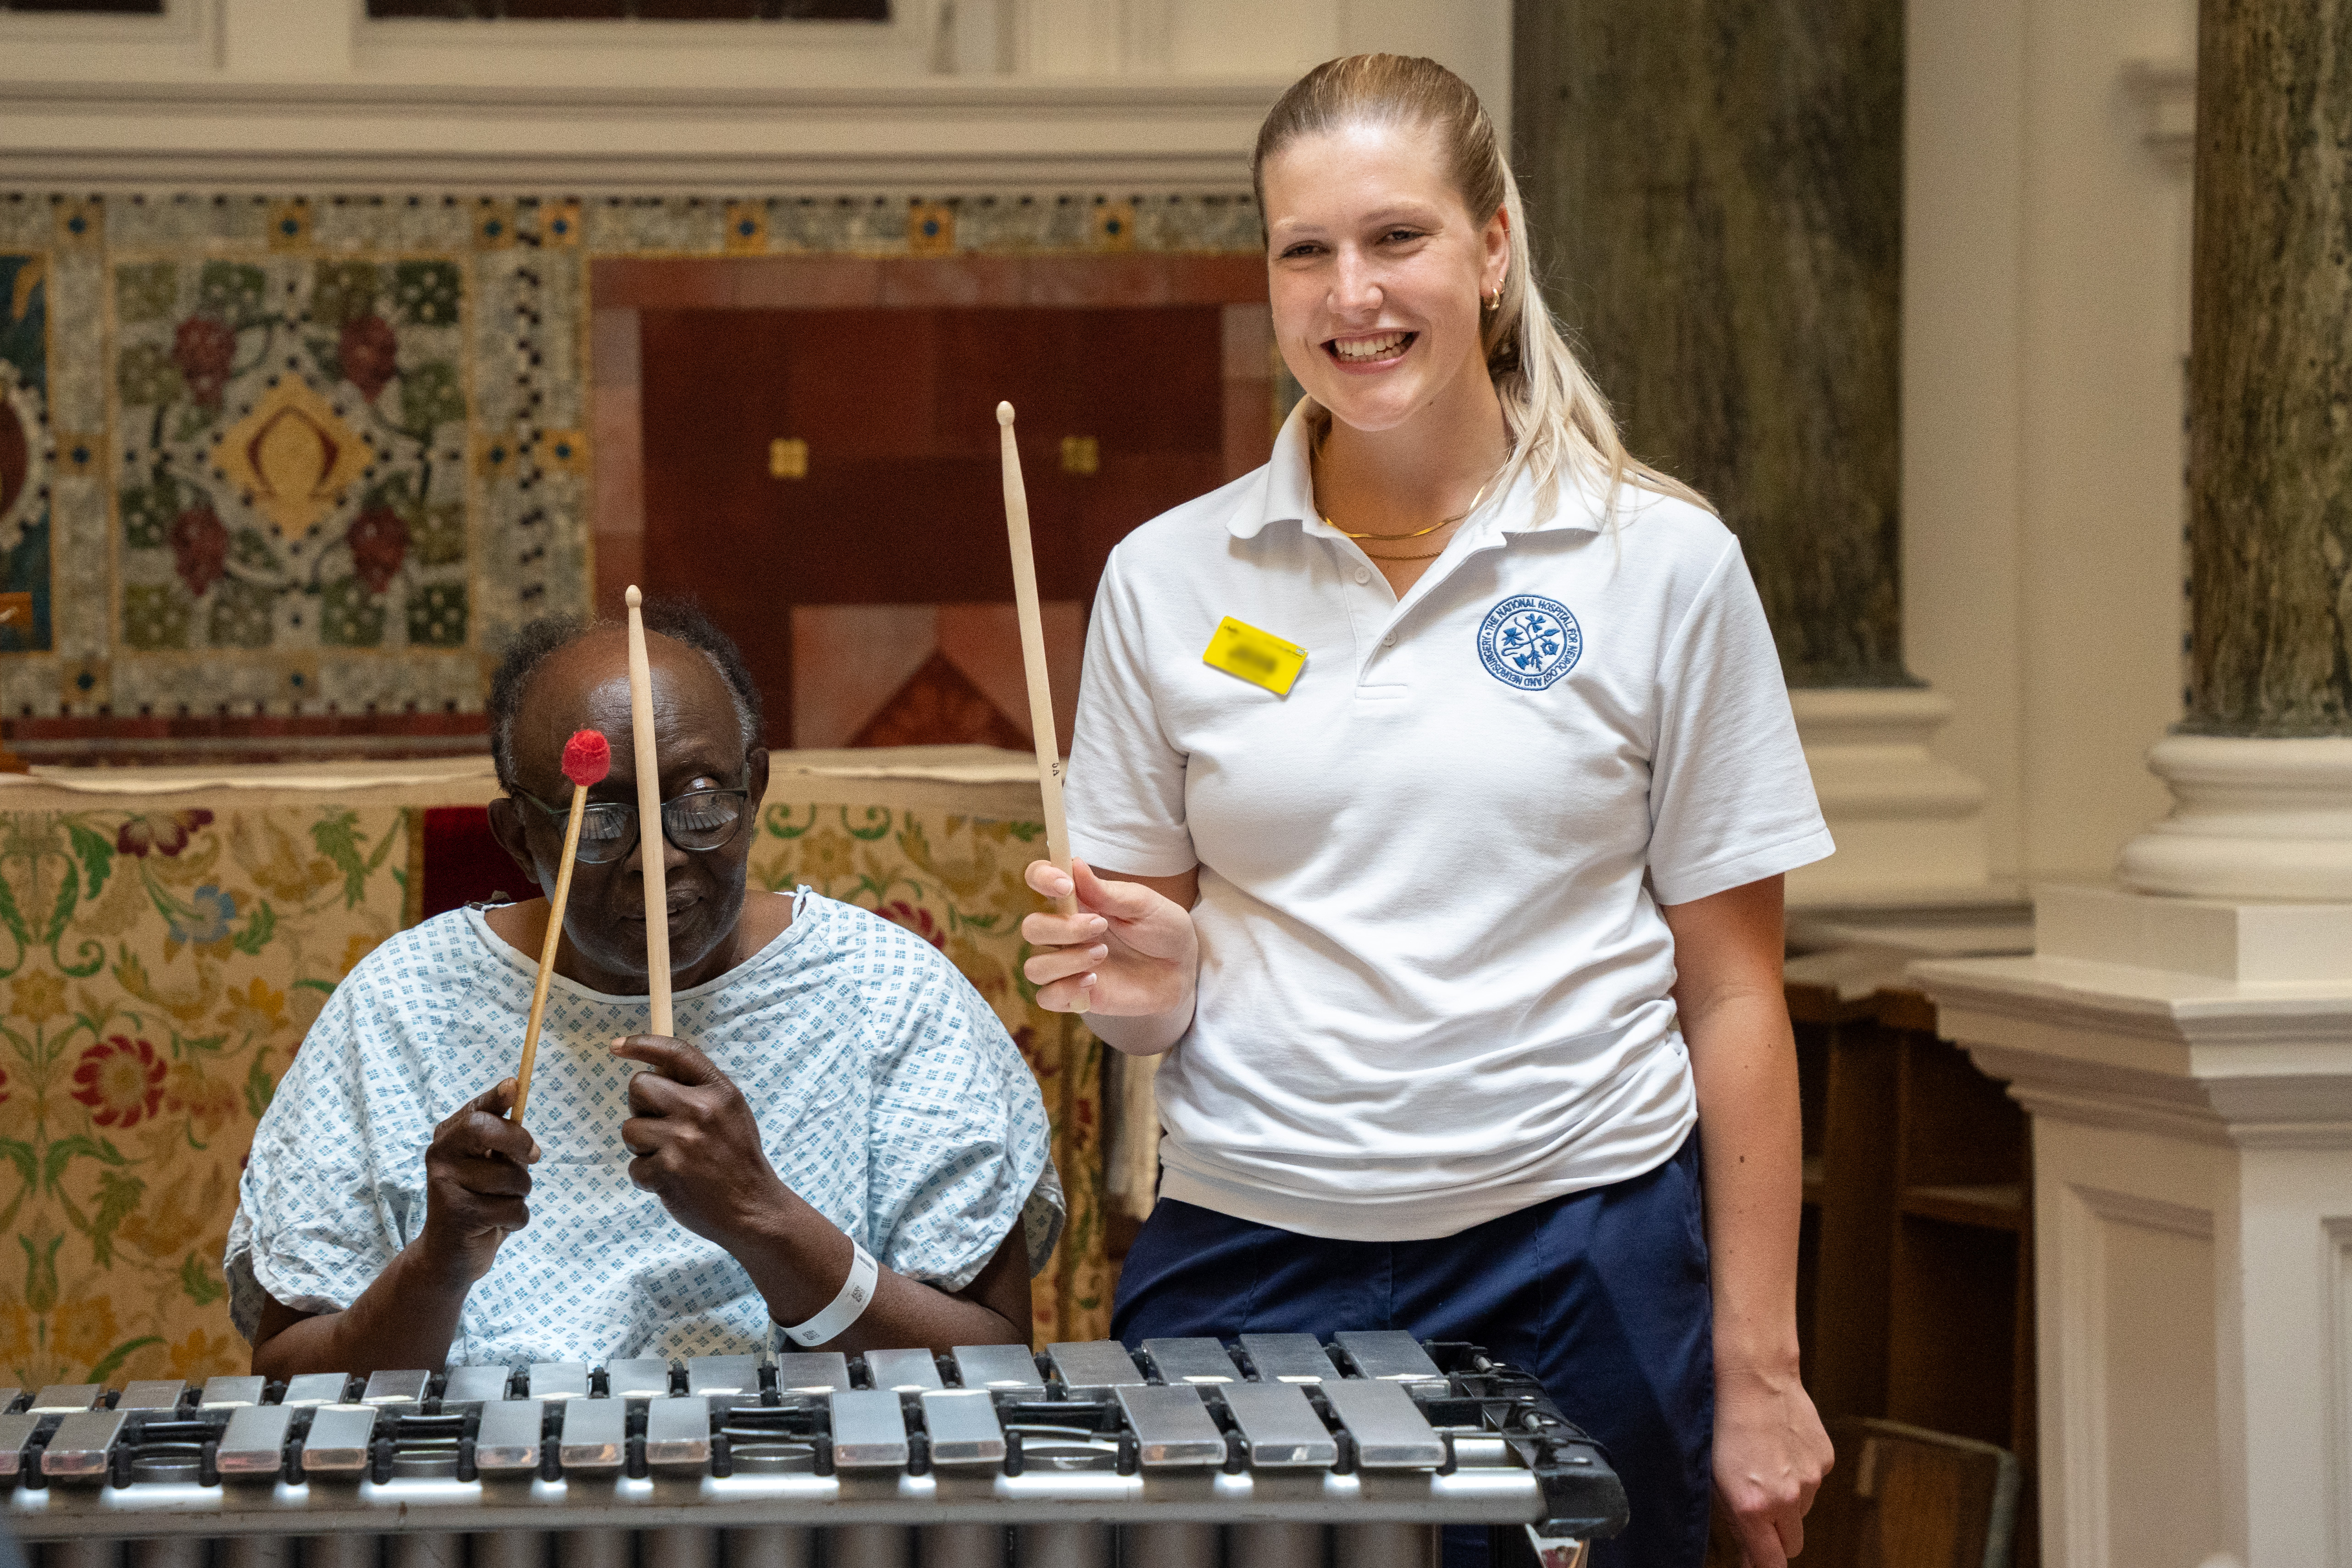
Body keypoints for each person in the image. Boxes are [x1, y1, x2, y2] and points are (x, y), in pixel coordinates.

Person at [1021, 54, 1834, 1568]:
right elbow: (1140, 988)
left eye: (1393, 238)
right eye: (1303, 251)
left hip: (1579, 1257)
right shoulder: (1167, 577)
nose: (1352, 295)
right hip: (1248, 1253)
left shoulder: (1658, 561)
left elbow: (1731, 991)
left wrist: (1758, 1369)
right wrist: (1140, 991)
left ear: (1492, 247)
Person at [227, 602, 1059, 1374]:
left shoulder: (889, 995)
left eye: (698, 801)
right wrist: (435, 1270)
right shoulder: (400, 1007)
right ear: (519, 835)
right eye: (599, 819)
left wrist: (764, 1218)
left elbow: (991, 1363)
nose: (655, 860)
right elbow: (287, 1377)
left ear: (755, 790)